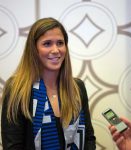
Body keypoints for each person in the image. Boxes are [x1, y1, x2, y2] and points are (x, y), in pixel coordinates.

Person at [1, 17, 96, 150]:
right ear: (34, 49)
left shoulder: (77, 88)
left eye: (60, 43)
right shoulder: (17, 89)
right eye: (47, 44)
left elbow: (88, 138)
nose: (56, 50)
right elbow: (13, 146)